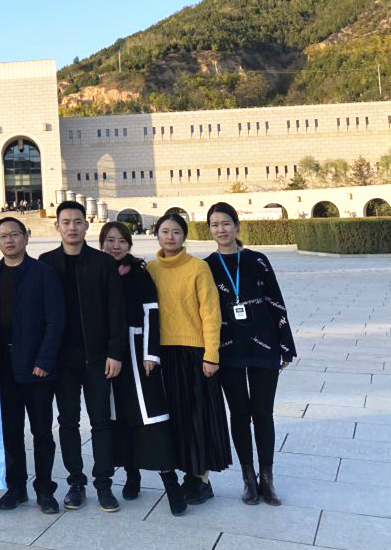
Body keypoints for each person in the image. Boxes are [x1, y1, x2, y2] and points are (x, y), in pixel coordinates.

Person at [38, 201, 127, 513]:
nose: (72, 227)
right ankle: (76, 482)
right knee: (68, 422)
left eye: (77, 221)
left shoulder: (103, 263)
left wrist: (115, 352)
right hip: (63, 359)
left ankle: (104, 484)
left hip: (97, 357)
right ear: (57, 226)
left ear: (86, 225)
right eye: (66, 222)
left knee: (101, 421)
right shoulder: (46, 263)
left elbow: (117, 310)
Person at [205, 202, 296, 506]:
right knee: (239, 414)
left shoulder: (257, 260)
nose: (221, 230)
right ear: (210, 230)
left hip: (263, 344)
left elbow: (276, 300)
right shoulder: (207, 266)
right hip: (227, 348)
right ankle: (248, 478)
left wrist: (285, 344)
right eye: (215, 225)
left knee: (263, 413)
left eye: (226, 223)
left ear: (237, 226)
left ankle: (267, 478)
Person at [99, 222, 185, 516]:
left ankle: (171, 483)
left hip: (137, 353)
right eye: (110, 240)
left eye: (121, 241)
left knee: (150, 416)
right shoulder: (98, 271)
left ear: (129, 244)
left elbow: (151, 313)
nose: (115, 246)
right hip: (109, 354)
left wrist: (151, 354)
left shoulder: (138, 272)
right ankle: (131, 474)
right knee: (119, 417)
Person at [146, 212, 231, 506]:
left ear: (184, 236)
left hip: (194, 354)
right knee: (175, 418)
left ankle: (201, 478)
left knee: (198, 417)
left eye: (176, 232)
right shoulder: (150, 269)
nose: (170, 237)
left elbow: (211, 313)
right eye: (165, 231)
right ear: (157, 234)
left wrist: (212, 354)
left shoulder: (199, 267)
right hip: (162, 354)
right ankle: (187, 473)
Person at [0, 216, 65, 513]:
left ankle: (45, 489)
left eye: (14, 234)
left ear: (26, 237)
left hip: (37, 369)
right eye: (3, 236)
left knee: (42, 432)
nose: (9, 240)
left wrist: (44, 360)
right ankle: (16, 487)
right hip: (3, 368)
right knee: (10, 432)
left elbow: (55, 320)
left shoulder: (43, 273)